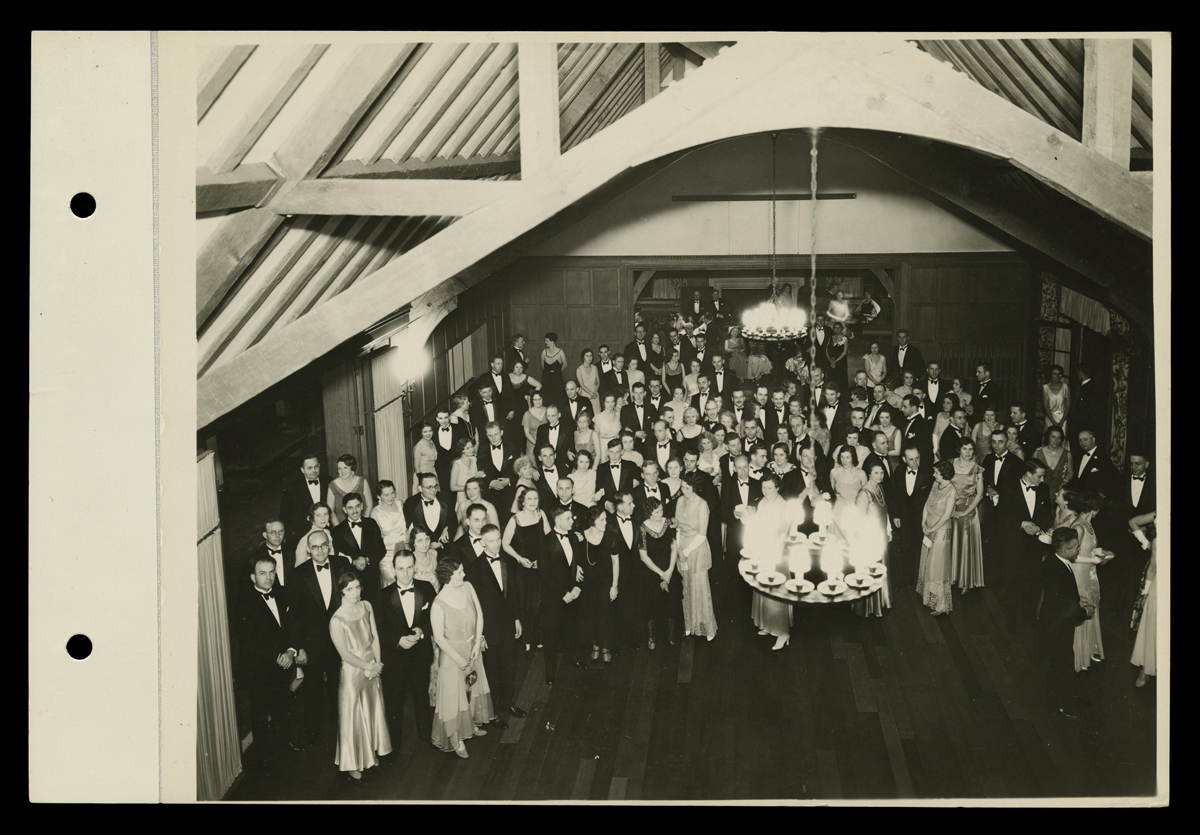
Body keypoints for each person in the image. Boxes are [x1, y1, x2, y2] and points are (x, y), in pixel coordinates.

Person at [234, 554, 301, 770]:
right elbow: (250, 639)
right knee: (260, 714)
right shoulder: (244, 603)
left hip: (283, 664)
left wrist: (291, 651)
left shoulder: (281, 593)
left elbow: (292, 625)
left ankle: (284, 745)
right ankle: (263, 758)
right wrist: (278, 657)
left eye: (272, 572)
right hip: (259, 668)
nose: (269, 577)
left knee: (282, 705)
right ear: (253, 577)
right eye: (262, 573)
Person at [328, 571, 390, 785]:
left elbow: (374, 638)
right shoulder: (337, 620)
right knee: (352, 718)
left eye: (357, 587)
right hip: (353, 674)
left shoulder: (367, 606)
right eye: (349, 589)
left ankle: (371, 755)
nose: (355, 593)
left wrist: (378, 663)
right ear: (341, 592)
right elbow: (345, 655)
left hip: (372, 668)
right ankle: (352, 764)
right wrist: (369, 666)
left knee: (372, 712)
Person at [372, 551, 434, 762]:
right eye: (401, 569)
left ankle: (426, 735)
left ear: (415, 567)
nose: (406, 573)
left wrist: (422, 630)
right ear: (393, 570)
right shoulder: (382, 596)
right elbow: (378, 629)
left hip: (420, 655)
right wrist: (398, 639)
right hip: (395, 659)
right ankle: (393, 747)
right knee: (394, 703)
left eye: (409, 568)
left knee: (421, 696)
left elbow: (434, 617)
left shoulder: (426, 588)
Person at [430, 558, 493, 758]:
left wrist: (478, 641)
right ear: (448, 577)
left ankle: (470, 726)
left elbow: (480, 614)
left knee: (471, 690)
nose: (464, 575)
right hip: (452, 657)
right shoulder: (438, 604)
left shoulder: (468, 587)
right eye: (459, 572)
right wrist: (458, 659)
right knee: (452, 699)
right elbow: (439, 638)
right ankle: (456, 739)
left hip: (472, 650)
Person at [464, 525, 527, 724]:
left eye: (498, 539)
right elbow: (473, 606)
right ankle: (492, 712)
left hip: (508, 624)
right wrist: (480, 635)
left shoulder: (507, 561)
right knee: (492, 669)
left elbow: (513, 593)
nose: (497, 544)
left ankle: (506, 703)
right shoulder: (474, 568)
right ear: (482, 542)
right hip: (489, 628)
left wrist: (516, 619)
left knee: (509, 665)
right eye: (491, 541)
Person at [1038, 528, 1090, 720]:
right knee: (1061, 665)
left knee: (1061, 663)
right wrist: (1085, 611)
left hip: (1053, 623)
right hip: (1058, 626)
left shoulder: (1054, 562)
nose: (1079, 549)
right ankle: (1060, 705)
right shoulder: (1058, 571)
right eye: (1076, 547)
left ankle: (1064, 699)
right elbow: (1065, 610)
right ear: (1066, 549)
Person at [1000, 458, 1055, 629]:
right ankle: (1011, 620)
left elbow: (1048, 515)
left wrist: (1039, 527)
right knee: (1012, 581)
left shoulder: (1044, 489)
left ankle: (1029, 619)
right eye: (1039, 476)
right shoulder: (1009, 487)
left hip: (1035, 544)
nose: (1042, 480)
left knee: (1033, 582)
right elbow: (1000, 515)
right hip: (1014, 543)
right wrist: (1020, 523)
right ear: (1028, 474)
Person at [1065, 491, 1113, 673]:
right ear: (1094, 509)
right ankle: (1080, 656)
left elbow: (1086, 548)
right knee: (1083, 610)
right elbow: (1072, 556)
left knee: (1092, 608)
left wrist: (1099, 552)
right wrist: (1095, 560)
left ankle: (1089, 650)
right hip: (1080, 575)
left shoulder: (1088, 524)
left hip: (1091, 575)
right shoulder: (1078, 526)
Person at [745, 473, 794, 648]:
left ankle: (783, 632)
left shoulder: (783, 505)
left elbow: (783, 532)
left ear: (778, 488)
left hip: (777, 552)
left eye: (770, 488)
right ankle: (767, 624)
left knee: (776, 589)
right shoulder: (763, 502)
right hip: (763, 549)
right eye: (764, 488)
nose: (766, 491)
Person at [503, 486, 549, 657]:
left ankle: (540, 639)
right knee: (525, 604)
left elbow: (550, 539)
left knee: (540, 603)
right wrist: (519, 558)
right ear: (522, 501)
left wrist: (543, 561)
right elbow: (505, 544)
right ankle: (527, 641)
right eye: (529, 498)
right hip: (523, 569)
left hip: (540, 567)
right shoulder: (515, 519)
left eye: (535, 498)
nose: (533, 502)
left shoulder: (541, 515)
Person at [542, 506, 586, 685]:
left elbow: (579, 564)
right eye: (568, 518)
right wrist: (562, 594)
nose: (572, 521)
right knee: (551, 636)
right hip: (554, 598)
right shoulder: (545, 542)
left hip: (573, 594)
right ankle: (550, 673)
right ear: (558, 520)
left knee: (572, 628)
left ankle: (571, 658)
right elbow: (545, 574)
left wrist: (577, 587)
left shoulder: (573, 538)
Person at [675, 471, 718, 640]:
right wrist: (679, 549)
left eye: (687, 488)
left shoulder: (702, 504)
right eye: (682, 487)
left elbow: (702, 534)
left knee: (699, 588)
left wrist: (686, 552)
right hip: (682, 546)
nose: (683, 491)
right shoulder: (680, 501)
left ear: (695, 488)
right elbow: (678, 528)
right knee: (686, 587)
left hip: (697, 548)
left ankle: (707, 628)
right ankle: (689, 624)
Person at [577, 506, 619, 665]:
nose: (605, 522)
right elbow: (574, 554)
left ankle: (605, 647)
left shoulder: (610, 537)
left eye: (605, 519)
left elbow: (615, 562)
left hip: (605, 582)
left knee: (605, 615)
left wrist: (614, 586)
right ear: (592, 521)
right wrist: (577, 567)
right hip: (587, 583)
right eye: (602, 520)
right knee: (591, 614)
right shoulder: (581, 536)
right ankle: (595, 645)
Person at [638, 497, 681, 650]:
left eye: (661, 510)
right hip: (652, 570)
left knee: (671, 602)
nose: (660, 514)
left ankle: (672, 635)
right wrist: (661, 573)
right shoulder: (643, 528)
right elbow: (643, 557)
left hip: (669, 567)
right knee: (652, 605)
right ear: (649, 513)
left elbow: (674, 548)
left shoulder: (668, 523)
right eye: (657, 512)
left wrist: (670, 570)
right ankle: (652, 637)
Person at [915, 460, 958, 616]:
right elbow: (927, 504)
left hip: (940, 531)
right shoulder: (935, 484)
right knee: (927, 561)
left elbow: (946, 516)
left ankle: (941, 605)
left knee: (937, 567)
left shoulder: (951, 491)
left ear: (944, 474)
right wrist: (923, 523)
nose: (934, 475)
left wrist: (931, 529)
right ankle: (929, 597)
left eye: (936, 473)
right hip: (929, 527)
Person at [851, 461, 892, 618]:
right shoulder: (864, 494)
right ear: (869, 474)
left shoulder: (880, 488)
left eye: (882, 472)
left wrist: (888, 530)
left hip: (880, 536)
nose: (880, 476)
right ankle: (870, 607)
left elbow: (884, 511)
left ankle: (881, 601)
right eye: (876, 473)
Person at [889, 446, 934, 588]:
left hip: (922, 518)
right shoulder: (899, 471)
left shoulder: (928, 472)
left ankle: (922, 581)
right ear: (904, 459)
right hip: (904, 518)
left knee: (922, 549)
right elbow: (895, 495)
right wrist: (896, 515)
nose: (915, 462)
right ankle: (908, 580)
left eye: (917, 458)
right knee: (906, 548)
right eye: (911, 459)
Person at [331, 493, 386, 600]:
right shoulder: (337, 531)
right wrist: (353, 562)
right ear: (344, 510)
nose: (355, 511)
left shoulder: (371, 523)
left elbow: (381, 550)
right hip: (350, 580)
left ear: (362, 506)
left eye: (357, 506)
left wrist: (367, 559)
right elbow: (337, 557)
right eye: (350, 508)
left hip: (371, 577)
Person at [948, 438, 985, 594]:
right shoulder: (950, 464)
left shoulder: (977, 469)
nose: (968, 452)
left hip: (968, 508)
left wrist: (965, 511)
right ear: (959, 450)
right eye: (964, 449)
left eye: (970, 449)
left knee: (964, 543)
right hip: (949, 508)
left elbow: (980, 494)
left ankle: (965, 580)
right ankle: (950, 577)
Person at [1128, 511, 1157, 687]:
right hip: (1159, 578)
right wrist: (1147, 544)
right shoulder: (1157, 514)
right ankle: (1146, 669)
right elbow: (1133, 521)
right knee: (1152, 624)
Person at [280, 453, 331, 545]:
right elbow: (285, 514)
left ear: (319, 466)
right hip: (302, 533)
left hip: (326, 530)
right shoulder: (292, 487)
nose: (314, 471)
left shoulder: (328, 481)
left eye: (316, 467)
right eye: (309, 468)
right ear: (302, 470)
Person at [403, 473, 455, 553]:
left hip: (444, 548)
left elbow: (454, 522)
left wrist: (442, 540)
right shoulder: (411, 503)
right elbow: (407, 528)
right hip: (420, 551)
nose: (434, 490)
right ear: (420, 488)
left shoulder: (446, 498)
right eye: (429, 487)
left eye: (435, 486)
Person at [830, 446, 868, 540]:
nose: (844, 461)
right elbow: (832, 493)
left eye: (847, 457)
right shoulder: (834, 472)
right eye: (842, 457)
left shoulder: (861, 474)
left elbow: (866, 497)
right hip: (838, 513)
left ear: (853, 458)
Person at [327, 453, 374, 527]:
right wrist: (339, 528)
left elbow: (369, 505)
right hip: (340, 526)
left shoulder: (363, 482)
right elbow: (330, 511)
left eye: (345, 468)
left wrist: (364, 524)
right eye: (339, 469)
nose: (342, 471)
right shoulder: (332, 486)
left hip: (362, 524)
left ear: (352, 468)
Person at [1033, 426, 1074, 499]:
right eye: (1053, 437)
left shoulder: (1067, 454)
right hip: (1041, 491)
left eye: (1059, 438)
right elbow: (1032, 472)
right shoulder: (1038, 453)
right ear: (1048, 437)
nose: (1056, 440)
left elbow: (1070, 472)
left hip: (1059, 492)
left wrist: (1064, 482)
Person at [371, 481, 407, 560]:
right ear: (379, 496)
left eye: (392, 493)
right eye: (386, 495)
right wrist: (403, 537)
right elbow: (378, 541)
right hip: (387, 553)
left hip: (406, 548)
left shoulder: (400, 503)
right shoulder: (375, 513)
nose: (391, 497)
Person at [1074, 429, 1118, 494]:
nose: (1082, 443)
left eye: (1085, 439)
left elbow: (1111, 479)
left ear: (1093, 440)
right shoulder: (1078, 456)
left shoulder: (1103, 457)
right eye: (1080, 440)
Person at [535, 404, 575, 471]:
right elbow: (537, 449)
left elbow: (572, 447)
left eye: (553, 415)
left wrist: (568, 464)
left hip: (563, 467)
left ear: (559, 415)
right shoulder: (542, 429)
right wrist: (540, 465)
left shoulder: (567, 429)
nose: (551, 418)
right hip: (546, 466)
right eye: (549, 416)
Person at [294, 502, 334, 569]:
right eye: (318, 515)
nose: (323, 518)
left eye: (325, 514)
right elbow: (298, 570)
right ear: (312, 518)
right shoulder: (304, 542)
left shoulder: (327, 532)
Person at [448, 438, 485, 509]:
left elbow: (475, 477)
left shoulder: (474, 459)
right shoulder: (457, 465)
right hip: (463, 499)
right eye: (468, 448)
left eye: (472, 446)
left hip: (475, 497)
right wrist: (469, 487)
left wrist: (479, 474)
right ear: (462, 451)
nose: (472, 449)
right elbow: (452, 487)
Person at [507, 359, 541, 431]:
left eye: (521, 368)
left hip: (522, 406)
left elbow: (539, 385)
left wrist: (532, 397)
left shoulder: (526, 377)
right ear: (513, 367)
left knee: (522, 428)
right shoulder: (507, 377)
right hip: (510, 405)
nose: (519, 370)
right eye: (517, 367)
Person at [539, 333, 567, 407]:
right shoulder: (544, 352)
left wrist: (558, 372)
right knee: (546, 399)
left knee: (558, 400)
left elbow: (565, 364)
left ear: (552, 341)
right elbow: (543, 365)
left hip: (557, 380)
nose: (545, 342)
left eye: (547, 340)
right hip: (546, 379)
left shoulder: (560, 351)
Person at [1040, 364, 1070, 432]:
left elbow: (1068, 405)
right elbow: (1046, 406)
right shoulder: (1046, 388)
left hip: (1062, 418)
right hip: (1050, 417)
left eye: (1059, 374)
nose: (1057, 376)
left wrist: (1062, 421)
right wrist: (1053, 422)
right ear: (1050, 374)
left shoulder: (1065, 387)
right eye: (1054, 374)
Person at [931, 394, 959, 459]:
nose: (945, 405)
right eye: (944, 402)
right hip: (939, 446)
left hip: (951, 447)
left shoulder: (956, 417)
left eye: (948, 403)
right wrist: (936, 448)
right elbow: (935, 433)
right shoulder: (940, 415)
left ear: (954, 404)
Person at [522, 390, 548, 458]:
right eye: (535, 400)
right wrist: (538, 444)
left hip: (547, 445)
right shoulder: (527, 414)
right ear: (532, 401)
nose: (537, 401)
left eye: (539, 399)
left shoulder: (548, 410)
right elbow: (527, 433)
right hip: (532, 445)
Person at [577, 348, 602, 417]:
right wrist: (591, 394)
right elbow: (582, 385)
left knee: (596, 414)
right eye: (587, 356)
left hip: (595, 393)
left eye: (591, 356)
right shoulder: (579, 369)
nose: (589, 358)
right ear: (583, 357)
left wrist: (595, 392)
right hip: (585, 394)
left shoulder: (594, 368)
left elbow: (598, 382)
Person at [825, 322, 850, 391]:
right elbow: (826, 350)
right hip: (831, 363)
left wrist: (835, 362)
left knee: (840, 381)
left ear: (842, 329)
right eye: (835, 328)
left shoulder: (845, 339)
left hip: (840, 363)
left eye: (839, 327)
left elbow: (845, 352)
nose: (837, 329)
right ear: (833, 329)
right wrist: (830, 361)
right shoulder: (830, 338)